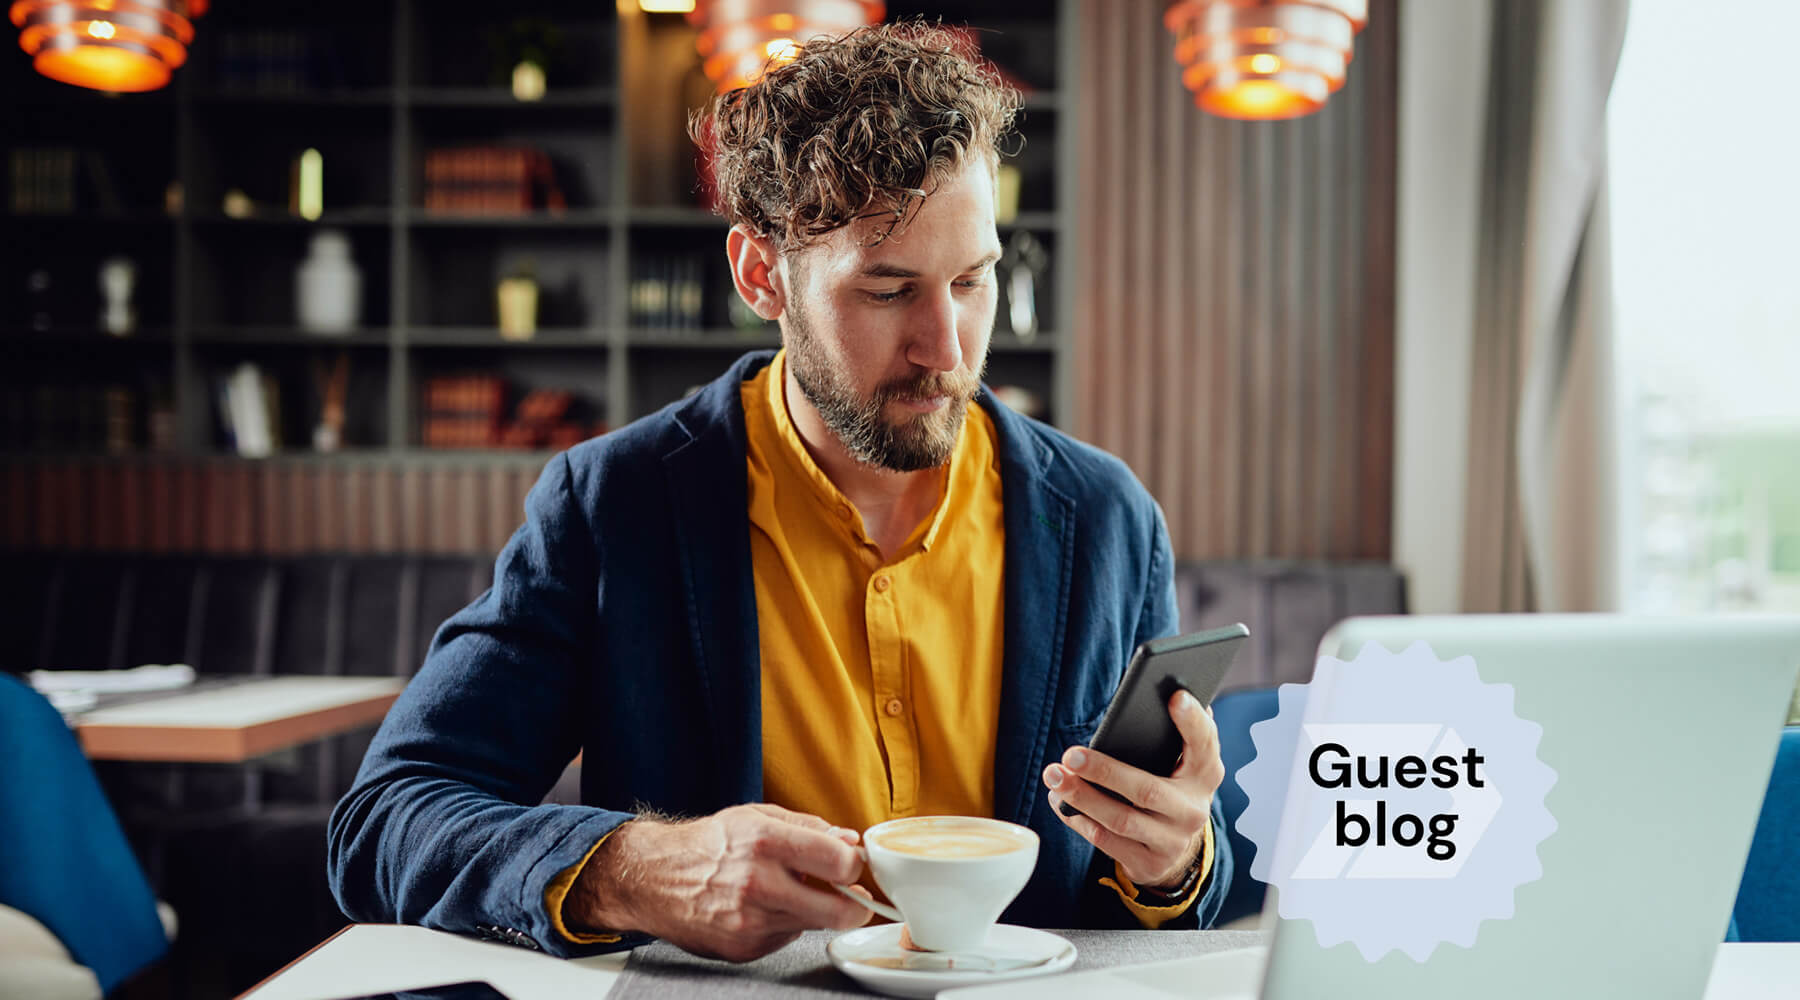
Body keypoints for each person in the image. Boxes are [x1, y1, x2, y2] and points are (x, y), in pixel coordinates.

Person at [326, 22, 1231, 962]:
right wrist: (641, 869)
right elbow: (386, 821)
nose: (949, 349)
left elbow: (1180, 876)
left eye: (971, 281)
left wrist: (1176, 860)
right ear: (762, 273)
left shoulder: (1110, 518)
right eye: (888, 291)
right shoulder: (613, 508)